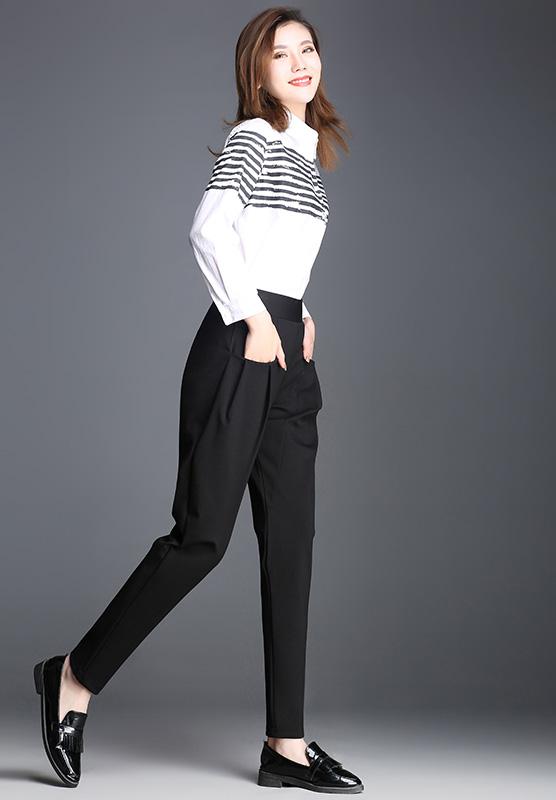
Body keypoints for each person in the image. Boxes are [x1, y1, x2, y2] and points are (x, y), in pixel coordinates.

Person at [33, 6, 363, 794]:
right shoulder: (254, 137)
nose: (300, 63)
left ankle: (286, 745)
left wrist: (301, 312)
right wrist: (257, 317)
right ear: (258, 72)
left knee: (292, 547)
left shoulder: (306, 151)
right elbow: (210, 230)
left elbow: (273, 249)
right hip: (241, 348)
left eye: (308, 49)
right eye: (281, 54)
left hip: (286, 352)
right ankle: (72, 676)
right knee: (202, 538)